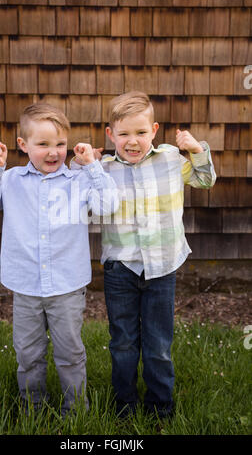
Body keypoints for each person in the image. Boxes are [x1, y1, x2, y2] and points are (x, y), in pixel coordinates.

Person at [75, 91, 216, 420]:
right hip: (120, 269)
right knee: (123, 341)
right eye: (123, 134)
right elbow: (75, 187)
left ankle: (160, 408)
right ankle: (124, 406)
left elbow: (205, 179)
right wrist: (82, 161)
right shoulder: (104, 168)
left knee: (158, 344)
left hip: (162, 267)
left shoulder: (169, 159)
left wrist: (196, 150)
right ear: (111, 135)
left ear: (154, 130)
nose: (133, 141)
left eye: (140, 132)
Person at [0, 103, 118, 417]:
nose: (53, 152)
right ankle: (32, 409)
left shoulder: (78, 181)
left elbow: (107, 206)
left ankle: (75, 411)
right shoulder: (10, 180)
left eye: (60, 145)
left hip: (66, 286)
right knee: (28, 353)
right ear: (23, 145)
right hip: (25, 285)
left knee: (70, 353)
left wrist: (92, 165)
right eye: (43, 145)